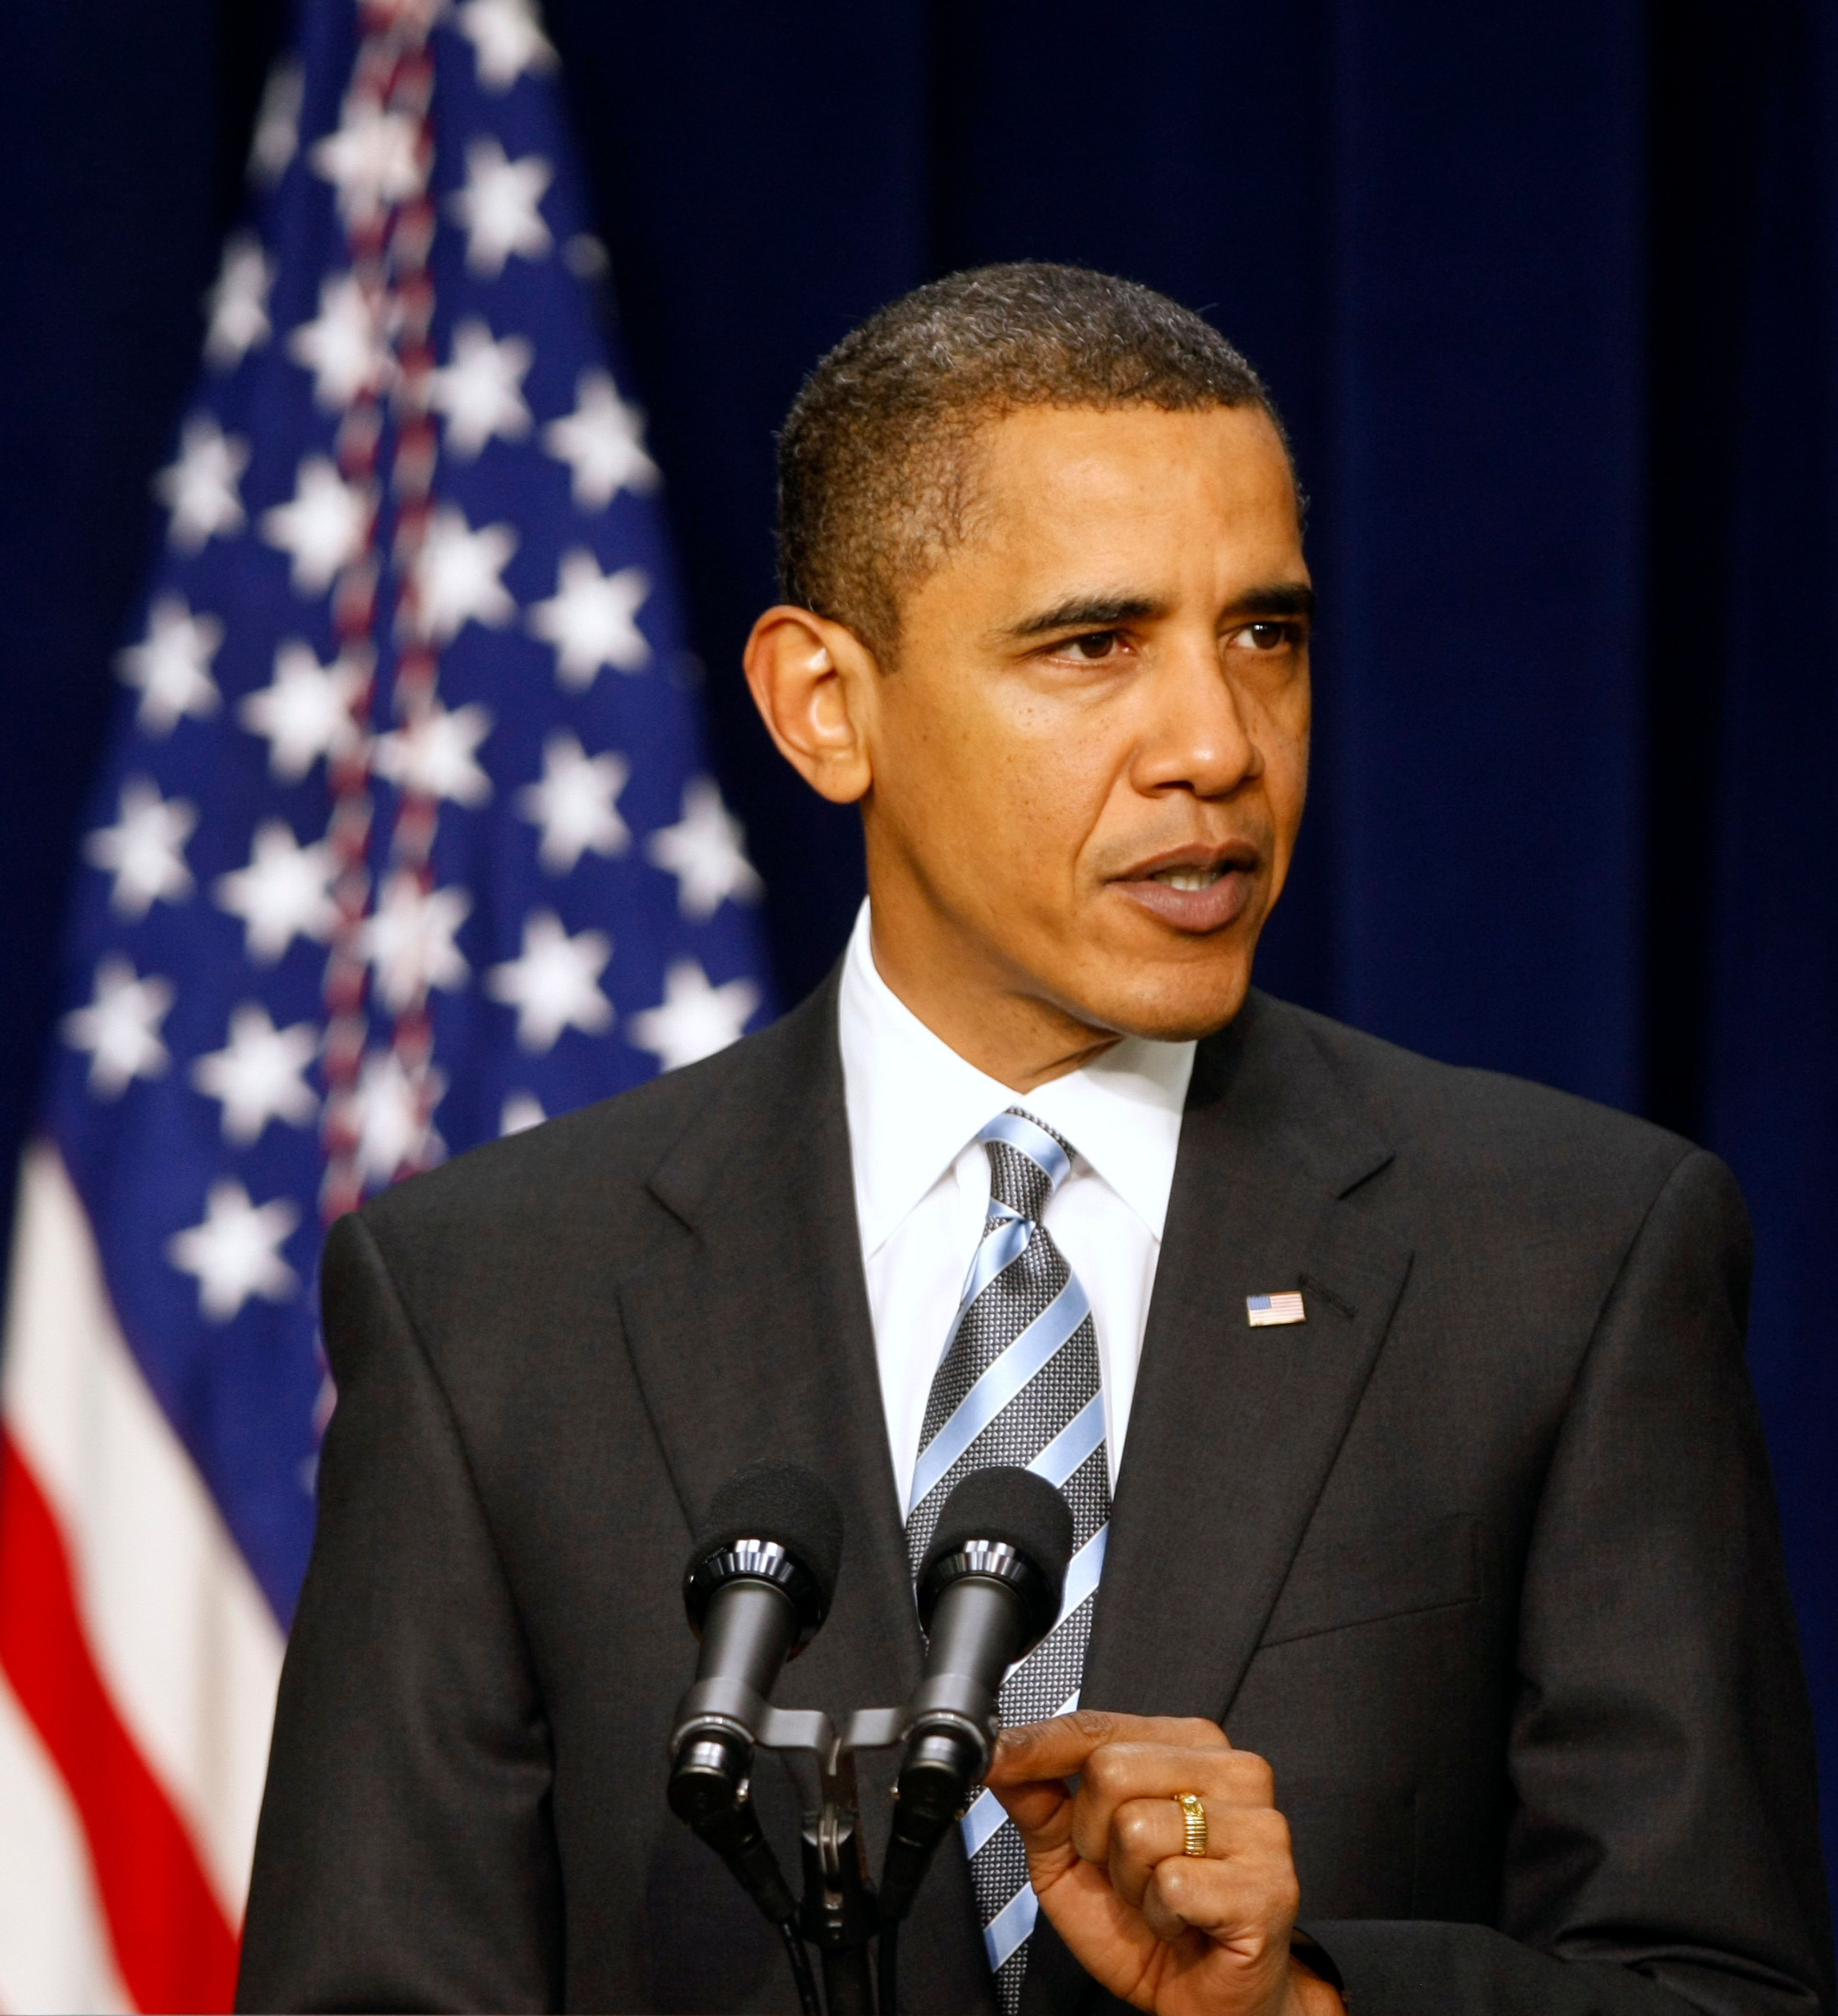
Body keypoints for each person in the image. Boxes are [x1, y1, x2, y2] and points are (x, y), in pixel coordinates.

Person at [238, 264, 1832, 2016]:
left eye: (1266, 635)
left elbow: (1716, 1991)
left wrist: (1304, 2006)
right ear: (824, 707)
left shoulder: (1572, 1257)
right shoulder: (488, 1301)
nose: (1219, 747)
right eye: (1095, 646)